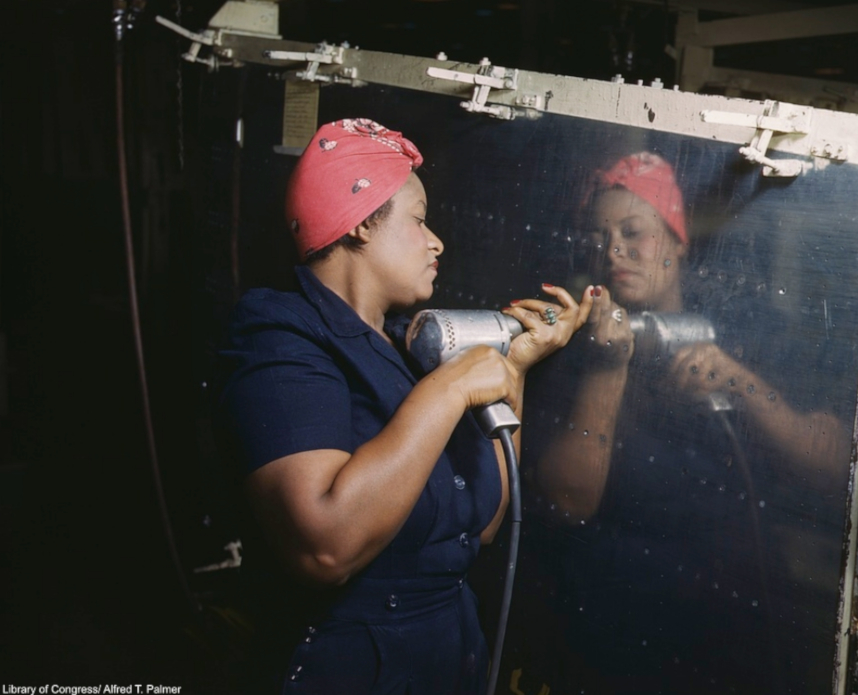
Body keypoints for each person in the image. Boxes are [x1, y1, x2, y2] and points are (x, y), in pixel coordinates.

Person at [214, 117, 594, 695]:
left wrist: (512, 368)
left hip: (449, 654)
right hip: (350, 670)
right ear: (363, 223)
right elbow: (323, 547)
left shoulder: (403, 346)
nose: (436, 240)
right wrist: (449, 389)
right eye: (418, 219)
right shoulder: (279, 334)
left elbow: (485, 526)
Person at [518, 151, 853, 694]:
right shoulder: (571, 348)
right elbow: (565, 500)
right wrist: (607, 368)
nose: (613, 251)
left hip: (737, 628)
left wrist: (740, 384)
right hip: (615, 631)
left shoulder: (746, 325)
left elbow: (836, 466)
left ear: (677, 240)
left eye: (634, 231)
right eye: (598, 236)